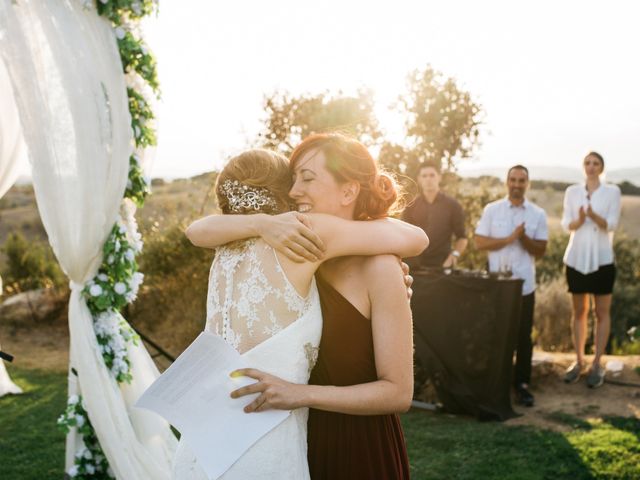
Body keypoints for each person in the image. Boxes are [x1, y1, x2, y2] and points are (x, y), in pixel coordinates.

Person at [173, 147, 428, 479]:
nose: (295, 192)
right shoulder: (301, 243)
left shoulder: (270, 242)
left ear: (349, 189)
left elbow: (196, 231)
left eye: (307, 178)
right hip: (290, 432)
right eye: (292, 180)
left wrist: (390, 285)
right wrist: (264, 223)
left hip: (344, 441)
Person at [474, 165, 548, 407]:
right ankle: (496, 383)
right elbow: (479, 242)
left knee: (523, 337)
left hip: (525, 285)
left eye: (522, 180)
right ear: (507, 182)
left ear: (528, 184)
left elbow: (541, 250)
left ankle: (522, 385)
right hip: (497, 285)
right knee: (495, 334)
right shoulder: (492, 210)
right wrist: (509, 239)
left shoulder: (537, 214)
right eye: (513, 180)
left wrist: (523, 237)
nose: (517, 184)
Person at [561, 152, 621, 388]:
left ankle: (597, 364)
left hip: (602, 259)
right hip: (576, 258)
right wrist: (579, 219)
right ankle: (578, 361)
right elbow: (568, 224)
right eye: (588, 163)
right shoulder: (572, 192)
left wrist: (594, 216)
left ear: (601, 167)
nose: (591, 167)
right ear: (583, 166)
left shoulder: (612, 192)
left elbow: (612, 224)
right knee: (578, 311)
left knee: (601, 312)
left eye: (596, 163)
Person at [402, 161, 468, 268]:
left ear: (439, 177)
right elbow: (404, 236)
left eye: (432, 175)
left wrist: (454, 256)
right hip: (415, 267)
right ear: (419, 179)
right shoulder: (411, 207)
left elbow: (462, 238)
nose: (428, 179)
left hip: (442, 266)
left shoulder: (453, 205)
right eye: (424, 176)